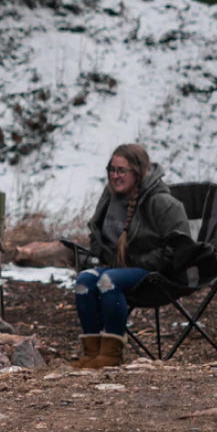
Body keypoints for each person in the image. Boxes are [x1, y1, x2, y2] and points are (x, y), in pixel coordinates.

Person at [70, 143, 194, 369]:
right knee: (84, 281)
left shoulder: (161, 202)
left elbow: (179, 246)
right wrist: (97, 255)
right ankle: (92, 353)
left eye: (121, 171)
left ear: (137, 173)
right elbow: (96, 233)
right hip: (119, 268)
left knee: (108, 281)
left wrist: (139, 262)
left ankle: (112, 355)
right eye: (112, 169)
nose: (115, 176)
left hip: (157, 275)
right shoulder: (110, 196)